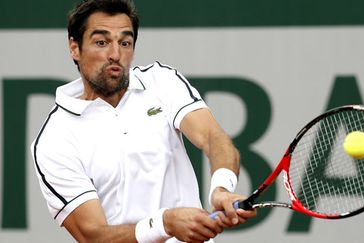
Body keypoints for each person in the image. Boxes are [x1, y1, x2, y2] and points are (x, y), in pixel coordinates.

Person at [30, 0, 256, 242]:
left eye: (125, 43)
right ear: (75, 48)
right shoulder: (54, 139)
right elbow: (92, 236)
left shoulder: (163, 81)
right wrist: (164, 224)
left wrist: (221, 188)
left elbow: (213, 137)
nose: (115, 55)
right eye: (101, 42)